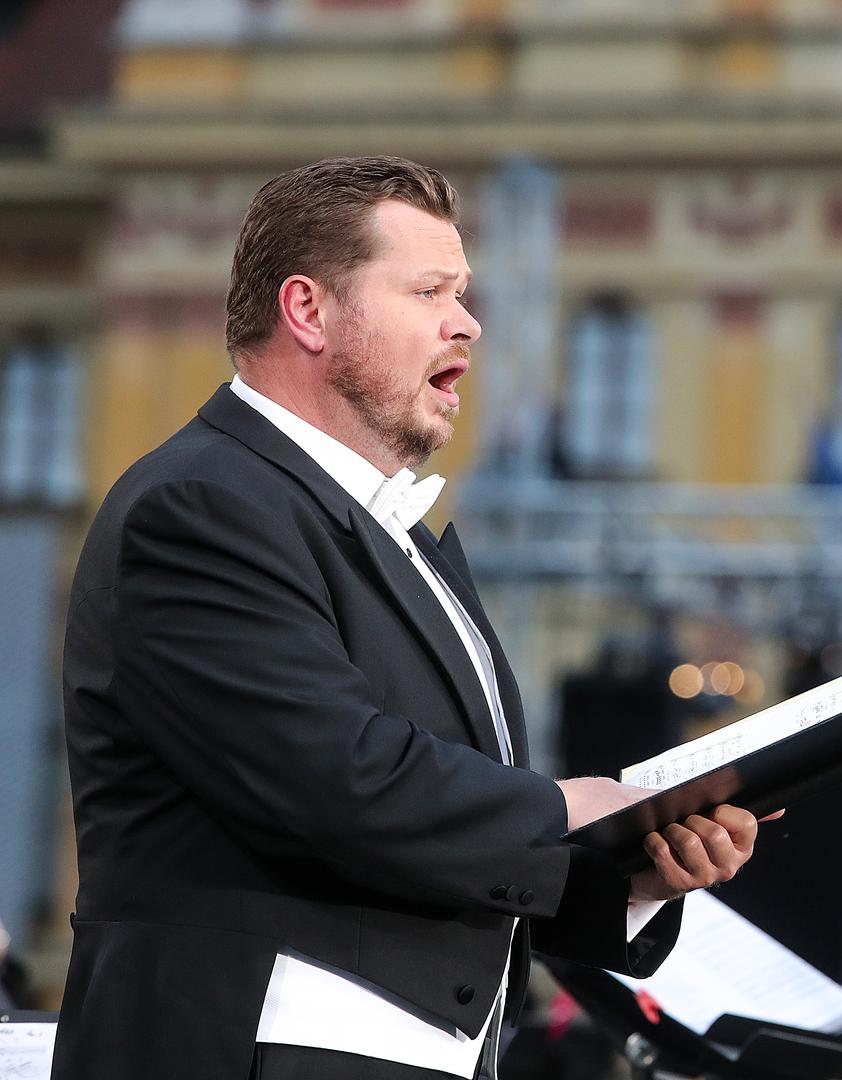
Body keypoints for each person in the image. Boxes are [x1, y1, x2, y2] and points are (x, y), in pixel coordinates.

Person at [55, 156, 766, 1080]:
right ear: (308, 311)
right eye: (429, 289)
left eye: (463, 292)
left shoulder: (388, 530)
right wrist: (566, 807)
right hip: (261, 1047)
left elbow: (425, 818)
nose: (467, 321)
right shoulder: (201, 503)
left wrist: (628, 871)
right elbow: (331, 776)